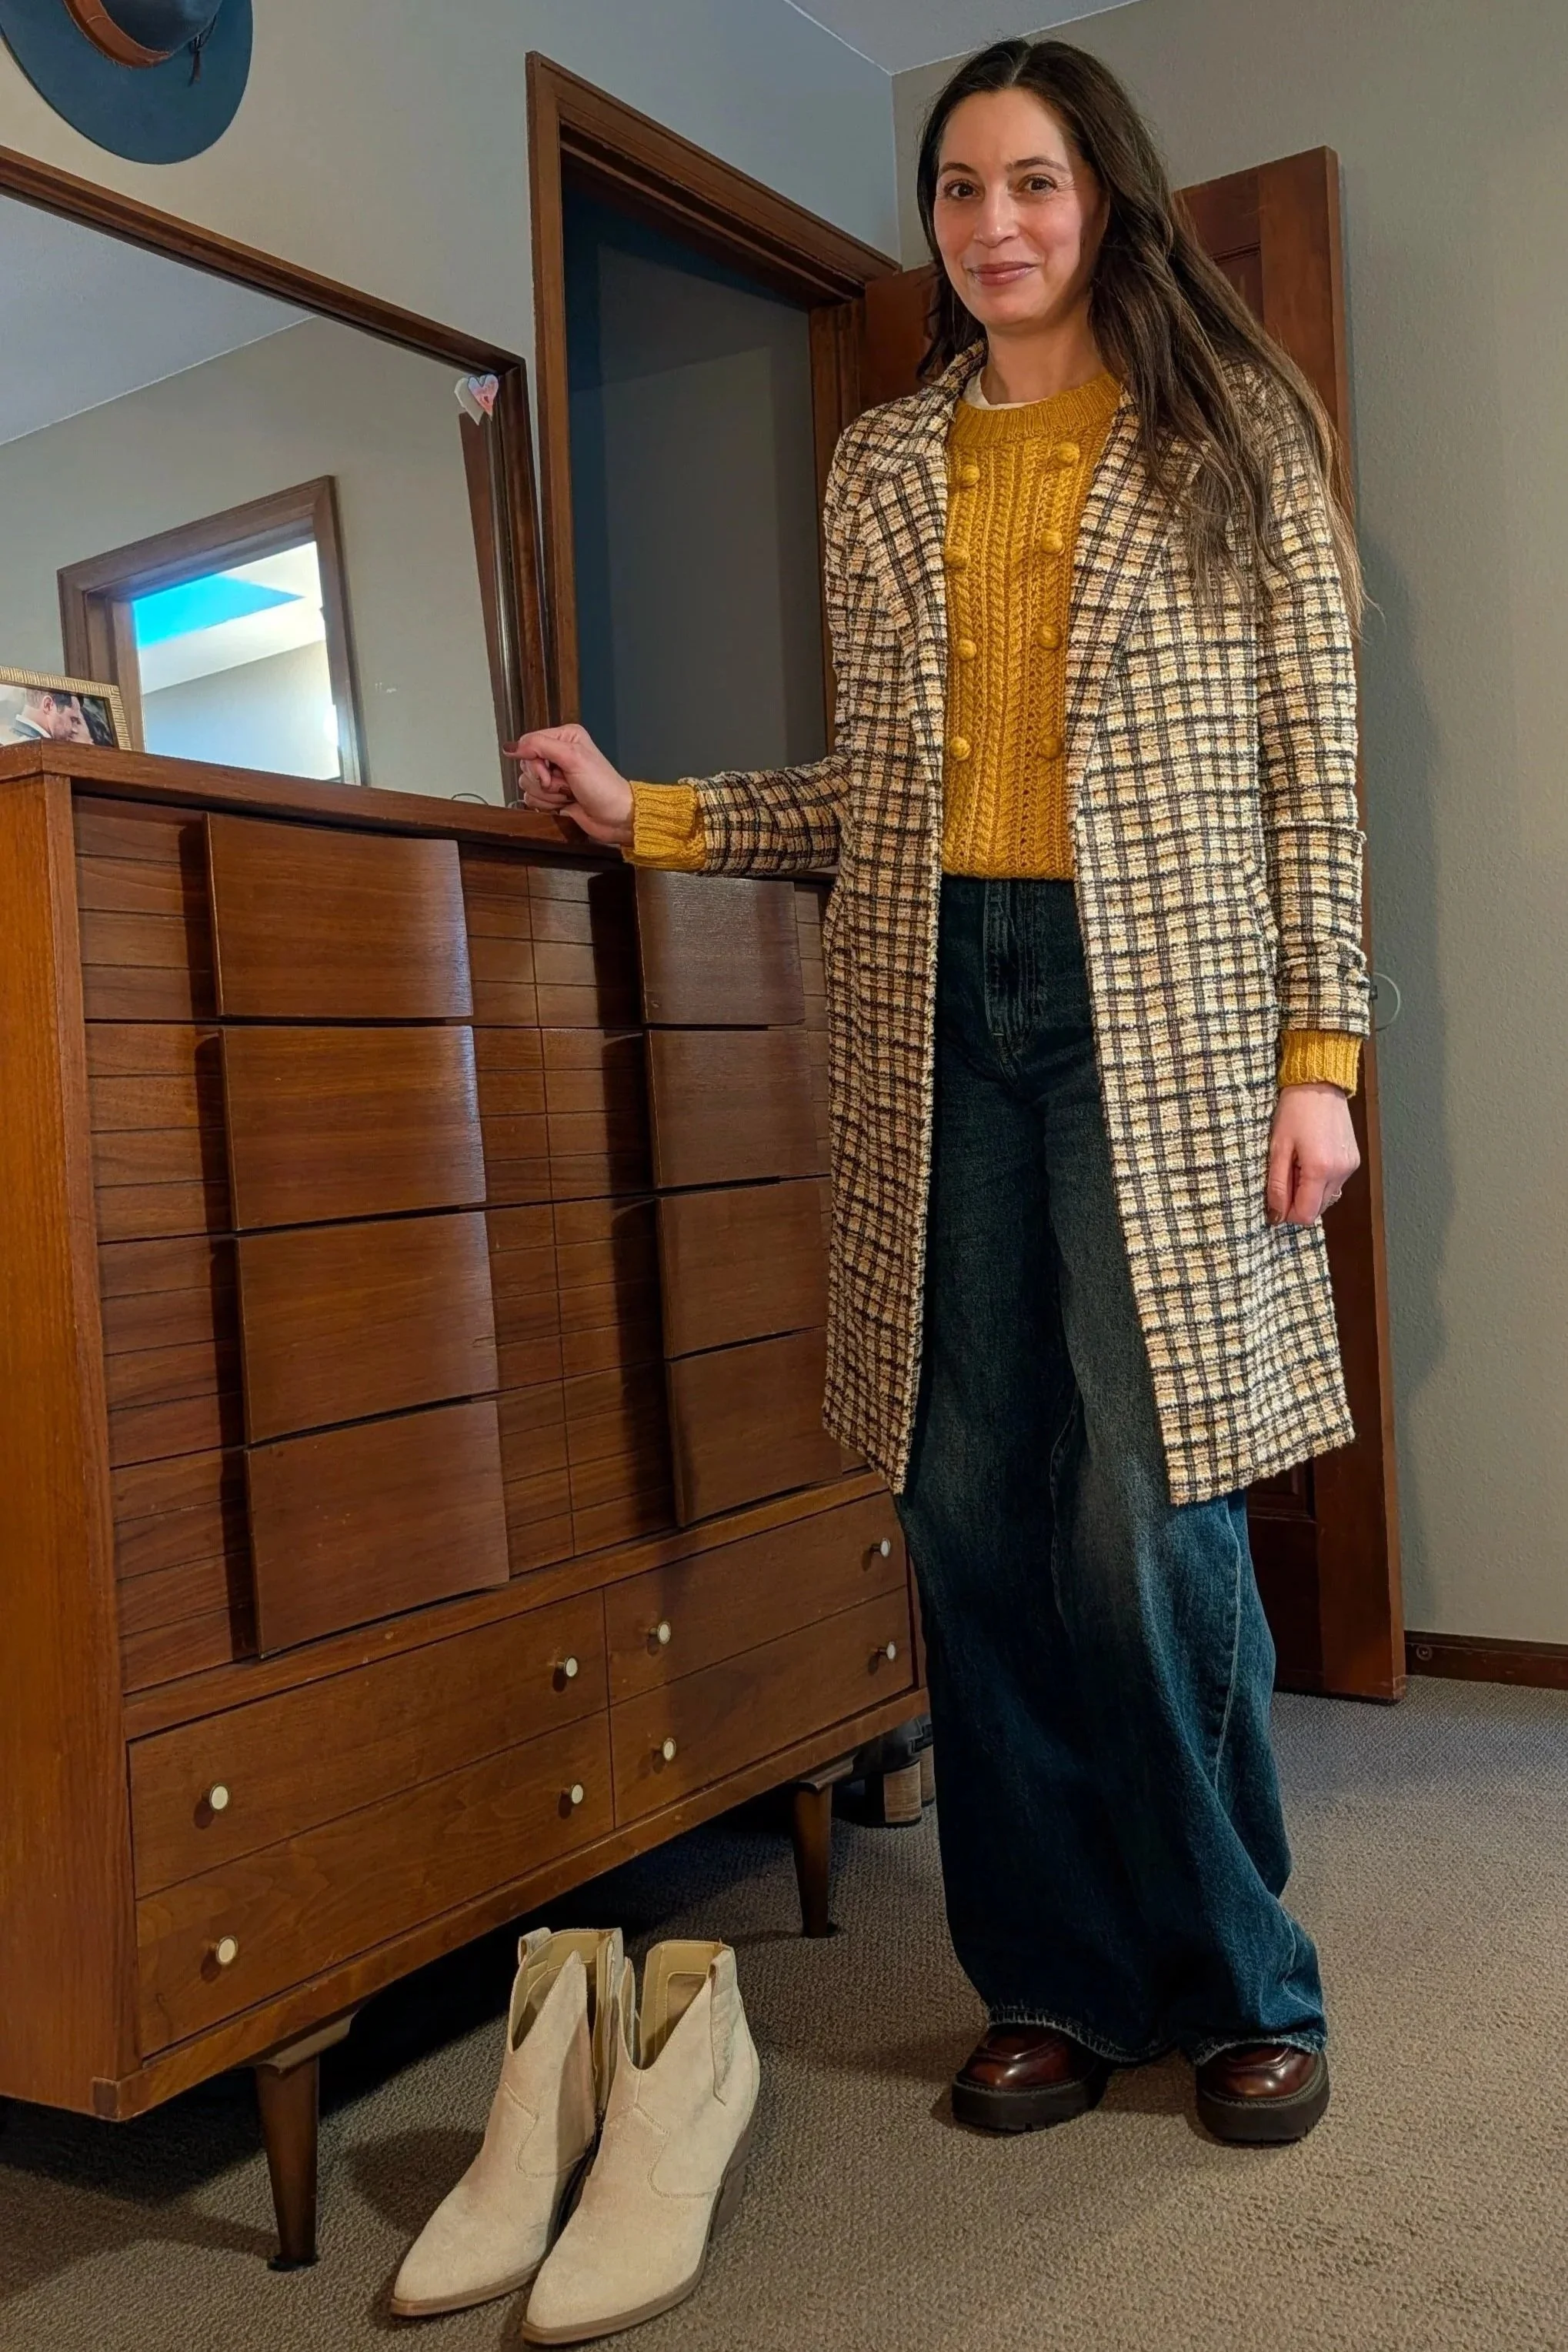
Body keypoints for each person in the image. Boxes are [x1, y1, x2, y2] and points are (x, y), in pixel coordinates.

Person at [509, 35, 1366, 2148]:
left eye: (1034, 184)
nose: (995, 223)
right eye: (962, 189)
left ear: (1105, 200)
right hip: (934, 1010)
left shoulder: (1231, 430)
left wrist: (1317, 1057)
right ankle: (1054, 1988)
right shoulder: (881, 469)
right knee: (965, 1509)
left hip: (1152, 1013)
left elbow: (1308, 778)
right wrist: (656, 813)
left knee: (1149, 1515)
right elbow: (876, 797)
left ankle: (1233, 1976)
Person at [3, 686, 93, 744]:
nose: (75, 730)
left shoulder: (8, 738)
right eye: (72, 720)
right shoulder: (35, 748)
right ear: (48, 705)